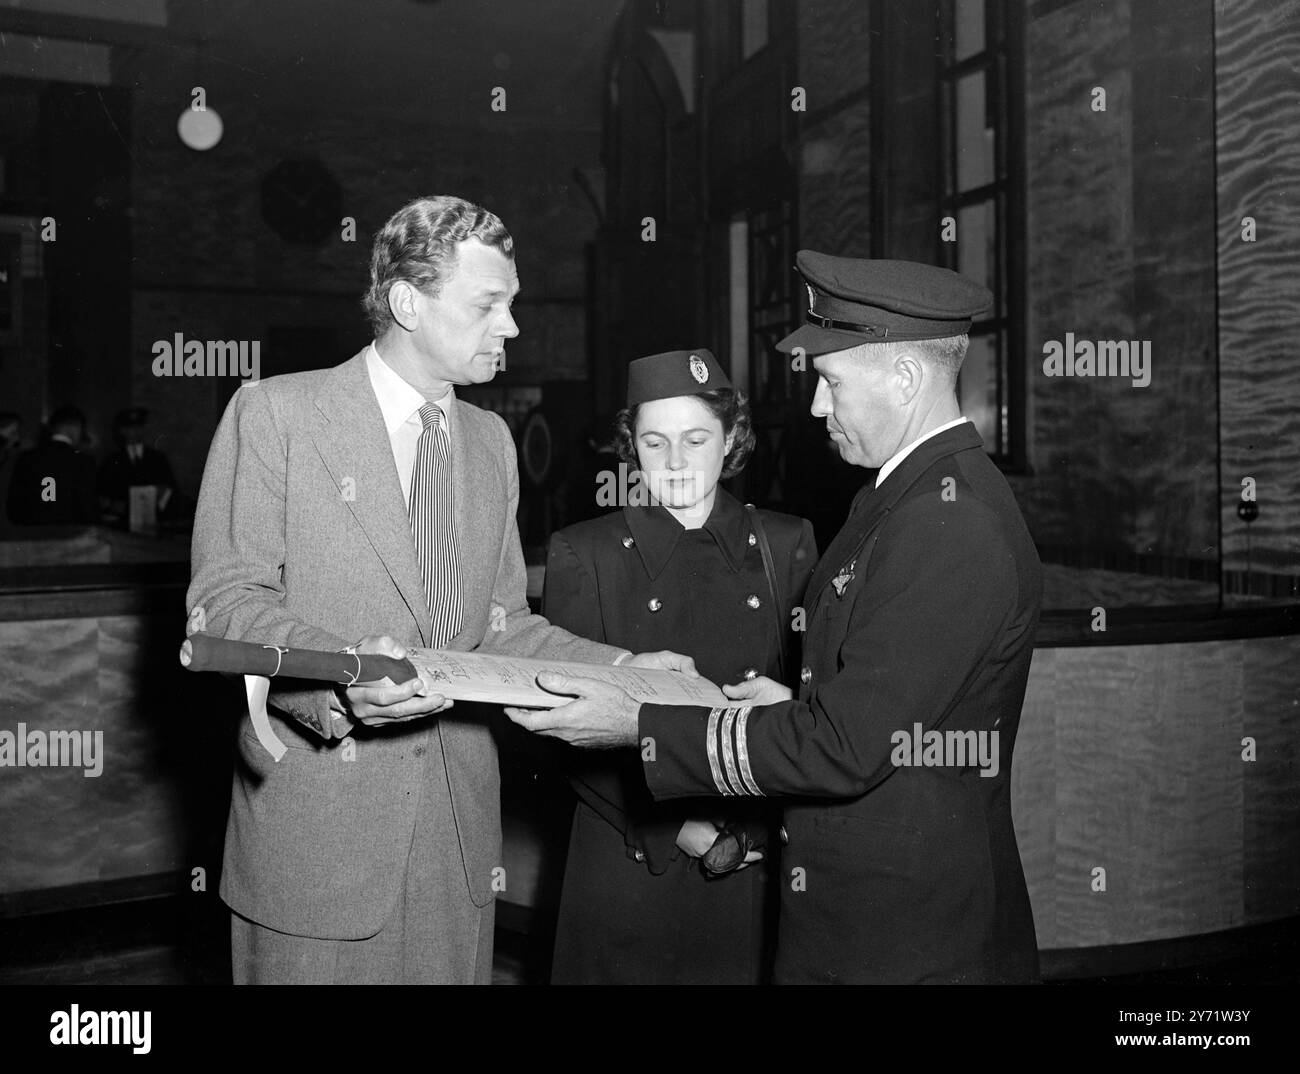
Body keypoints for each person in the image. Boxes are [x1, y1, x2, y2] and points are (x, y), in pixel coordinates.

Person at [187, 195, 693, 985]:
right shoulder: (275, 415)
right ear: (405, 303)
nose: (512, 327)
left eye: (514, 304)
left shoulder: (490, 443)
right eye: (490, 304)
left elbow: (500, 629)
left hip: (458, 847)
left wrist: (626, 667)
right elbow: (226, 604)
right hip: (316, 846)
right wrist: (347, 673)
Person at [507, 252, 1044, 984]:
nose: (820, 407)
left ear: (908, 378)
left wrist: (639, 721)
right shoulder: (903, 500)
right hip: (860, 915)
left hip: (904, 937)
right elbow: (884, 712)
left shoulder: (947, 522)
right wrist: (794, 705)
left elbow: (846, 748)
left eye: (832, 382)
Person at [543, 348, 816, 984]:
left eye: (696, 439)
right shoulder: (586, 553)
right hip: (630, 861)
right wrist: (679, 829)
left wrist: (750, 830)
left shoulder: (786, 542)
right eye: (654, 441)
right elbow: (564, 727)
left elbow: (812, 707)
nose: (675, 462)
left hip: (755, 859)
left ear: (732, 440)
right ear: (629, 448)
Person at [5, 404, 99, 526]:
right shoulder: (83, 461)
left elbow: (14, 506)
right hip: (69, 536)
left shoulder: (26, 458)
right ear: (76, 428)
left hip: (32, 534)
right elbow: (87, 507)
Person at [98, 407, 177, 526]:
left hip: (154, 522)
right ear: (122, 431)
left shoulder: (158, 458)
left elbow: (171, 489)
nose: (133, 432)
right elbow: (103, 495)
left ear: (143, 429)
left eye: (138, 428)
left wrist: (161, 496)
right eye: (129, 428)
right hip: (122, 524)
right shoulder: (111, 460)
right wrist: (113, 504)